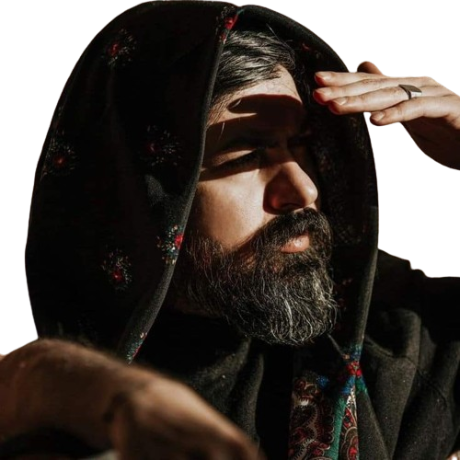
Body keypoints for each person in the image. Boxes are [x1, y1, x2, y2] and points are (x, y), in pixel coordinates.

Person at [1, 1, 459, 459]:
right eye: (246, 155)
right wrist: (102, 396)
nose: (303, 189)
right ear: (140, 193)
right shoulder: (49, 410)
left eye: (302, 144)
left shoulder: (388, 347)